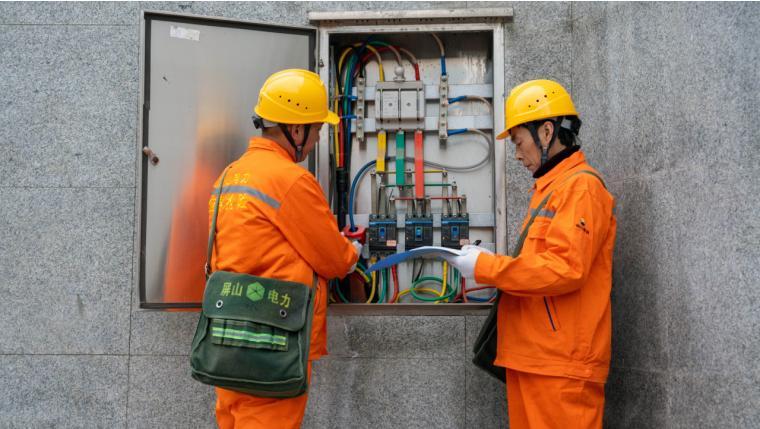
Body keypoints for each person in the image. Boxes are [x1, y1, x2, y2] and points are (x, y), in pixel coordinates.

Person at [444, 79, 617, 428]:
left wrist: (488, 267)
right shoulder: (552, 188)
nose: (518, 155)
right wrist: (486, 264)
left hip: (560, 365)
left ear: (547, 131)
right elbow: (540, 264)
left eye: (519, 142)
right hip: (534, 358)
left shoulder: (581, 187)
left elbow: (565, 268)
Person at [208, 69, 361, 428]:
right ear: (296, 130)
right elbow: (334, 260)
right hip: (272, 343)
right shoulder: (291, 180)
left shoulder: (229, 175)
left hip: (228, 338)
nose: (316, 140)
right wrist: (351, 249)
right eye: (316, 130)